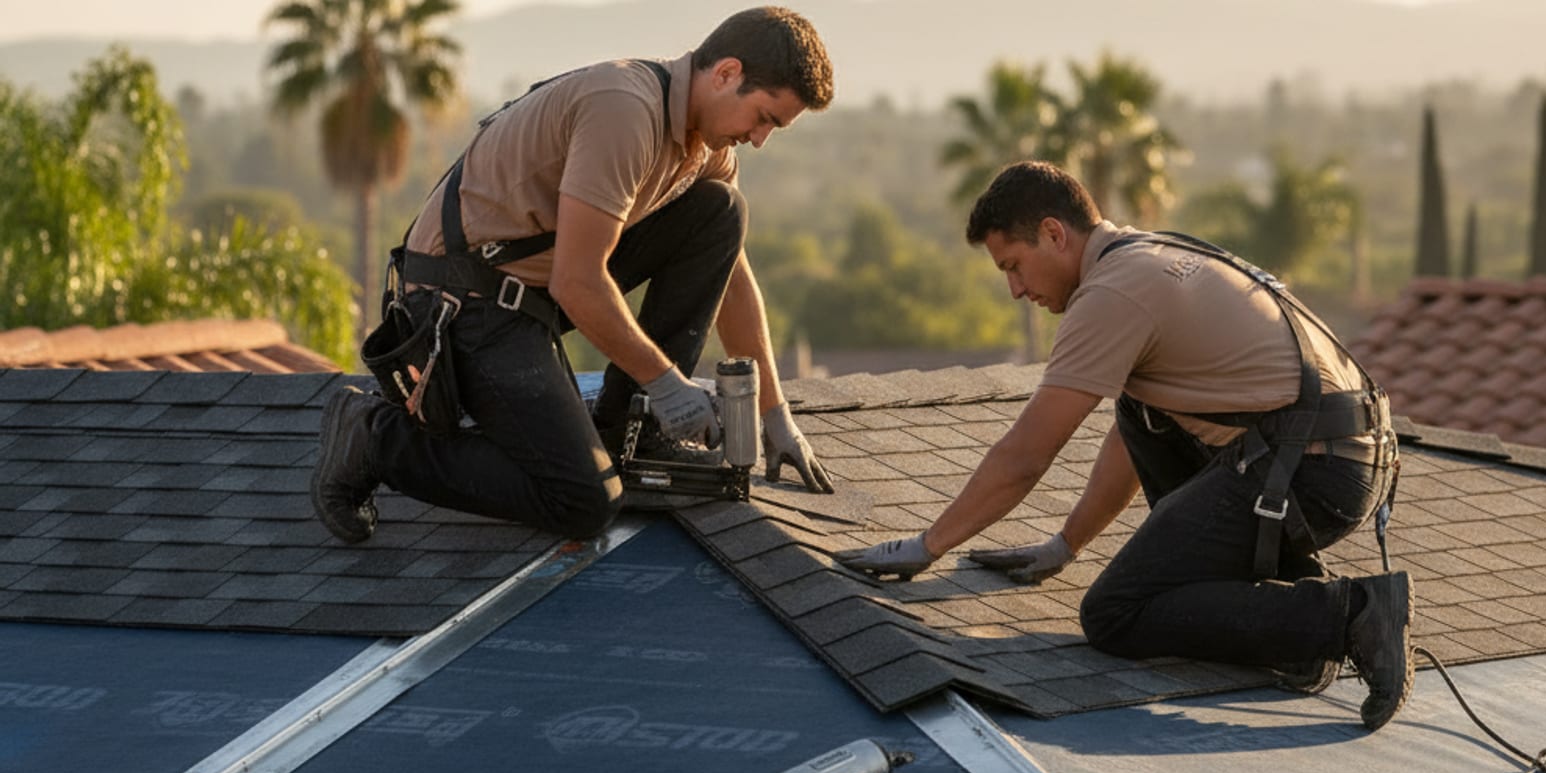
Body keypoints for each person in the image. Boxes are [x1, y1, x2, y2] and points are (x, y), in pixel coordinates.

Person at [838, 161, 1415, 731]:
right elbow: (1138, 427)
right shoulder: (1144, 254)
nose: (1015, 289)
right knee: (1138, 410)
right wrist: (1065, 545)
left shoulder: (1114, 293)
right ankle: (1290, 626)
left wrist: (926, 546)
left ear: (1054, 234)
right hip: (1334, 458)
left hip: (1314, 473)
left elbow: (1026, 456)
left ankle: (1352, 617)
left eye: (1014, 266)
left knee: (1114, 613)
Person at [313, 6, 835, 545]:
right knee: (583, 501)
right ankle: (373, 436)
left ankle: (630, 432)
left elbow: (731, 274)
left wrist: (775, 413)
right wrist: (667, 383)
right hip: (462, 304)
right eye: (765, 117)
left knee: (722, 213)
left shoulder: (704, 143)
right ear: (726, 74)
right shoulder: (626, 110)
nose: (759, 139)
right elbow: (578, 283)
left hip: (533, 290)